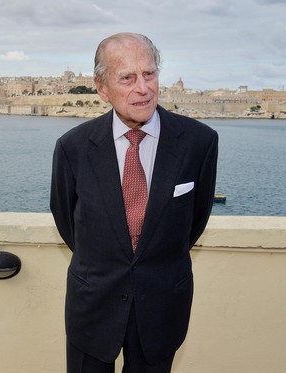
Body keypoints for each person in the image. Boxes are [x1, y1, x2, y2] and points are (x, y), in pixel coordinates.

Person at [50, 33, 218, 372]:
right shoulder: (73, 147)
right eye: (127, 77)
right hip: (93, 306)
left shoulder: (199, 142)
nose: (142, 88)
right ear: (102, 88)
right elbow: (67, 220)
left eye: (149, 73)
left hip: (162, 306)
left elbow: (195, 220)